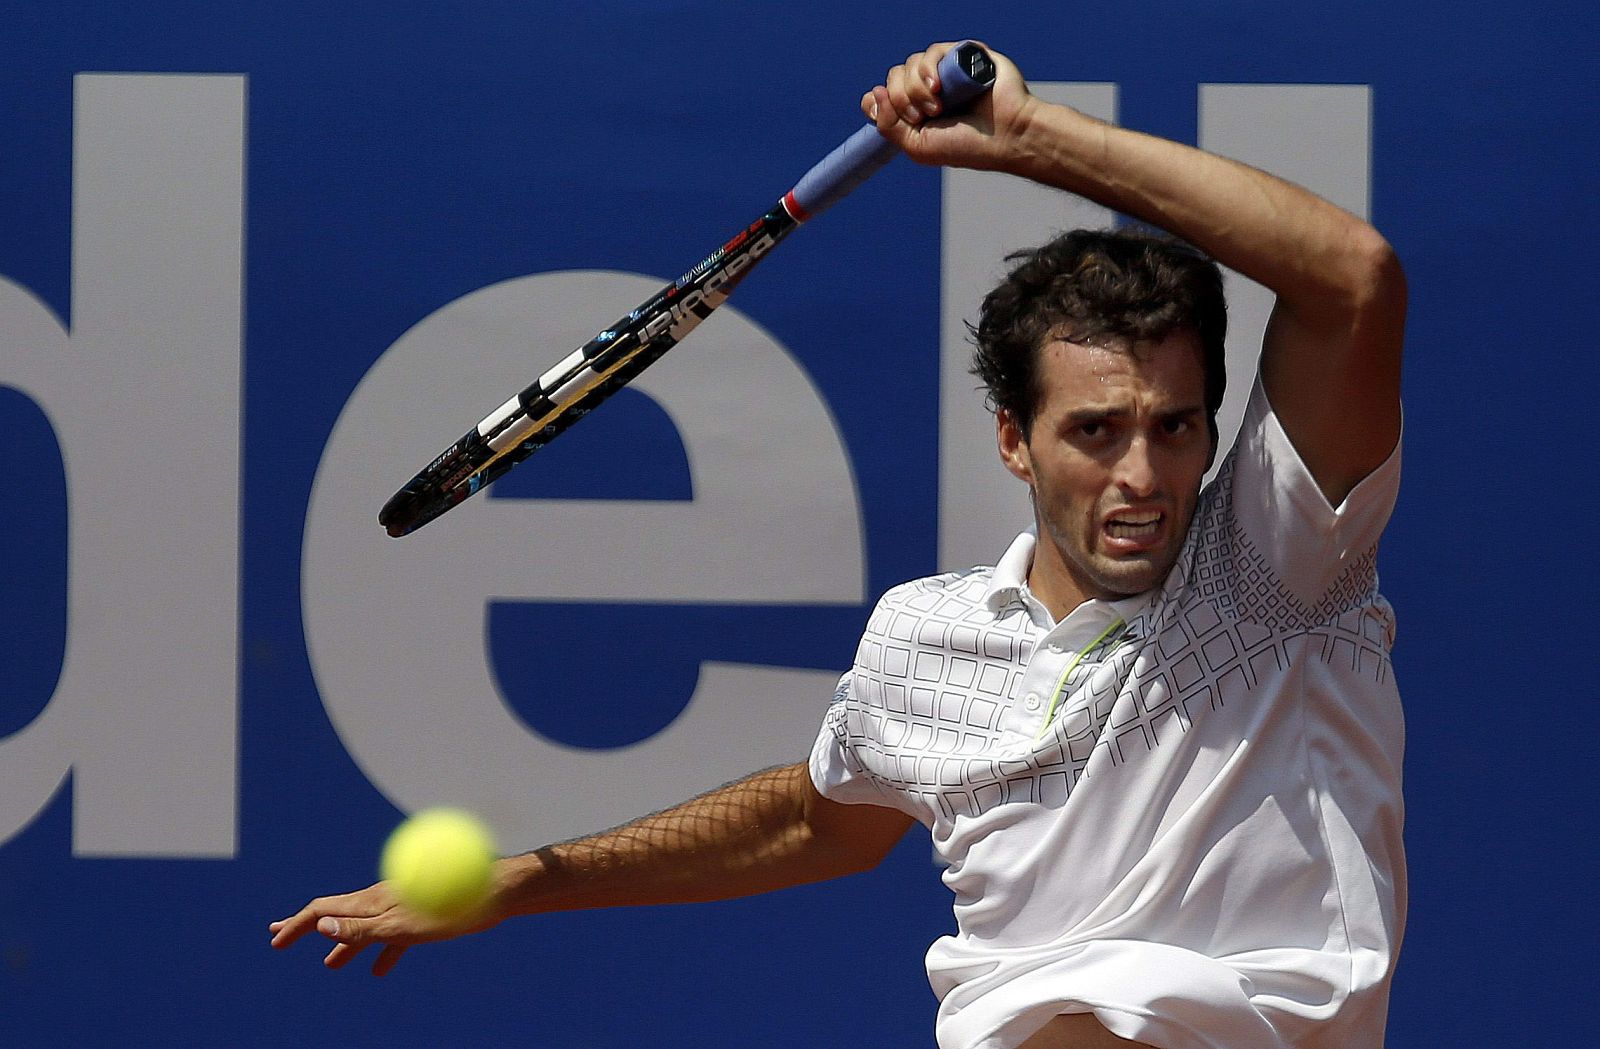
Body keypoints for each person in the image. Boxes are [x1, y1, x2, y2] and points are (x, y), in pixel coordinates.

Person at [271, 42, 1406, 1049]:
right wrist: (527, 880)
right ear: (1013, 440)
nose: (1142, 475)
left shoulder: (1275, 558)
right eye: (1094, 431)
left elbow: (1352, 279)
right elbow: (811, 821)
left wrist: (1028, 138)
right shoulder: (922, 637)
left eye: (1175, 427)